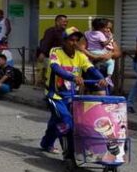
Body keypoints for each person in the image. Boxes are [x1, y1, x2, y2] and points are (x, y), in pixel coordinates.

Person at [40, 27, 106, 156]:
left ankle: (46, 143)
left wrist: (101, 78)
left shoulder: (80, 56)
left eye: (77, 40)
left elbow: (91, 69)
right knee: (66, 121)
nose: (74, 43)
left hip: (72, 95)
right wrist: (72, 77)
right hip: (55, 95)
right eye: (71, 40)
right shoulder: (56, 52)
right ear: (64, 41)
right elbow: (55, 67)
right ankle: (69, 151)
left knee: (56, 120)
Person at [83, 18, 116, 83]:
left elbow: (85, 35)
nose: (107, 29)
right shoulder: (100, 34)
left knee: (94, 65)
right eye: (105, 28)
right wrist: (110, 38)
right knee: (111, 63)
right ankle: (109, 77)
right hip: (99, 52)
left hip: (90, 51)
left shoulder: (87, 33)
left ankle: (96, 78)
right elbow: (103, 44)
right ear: (101, 27)